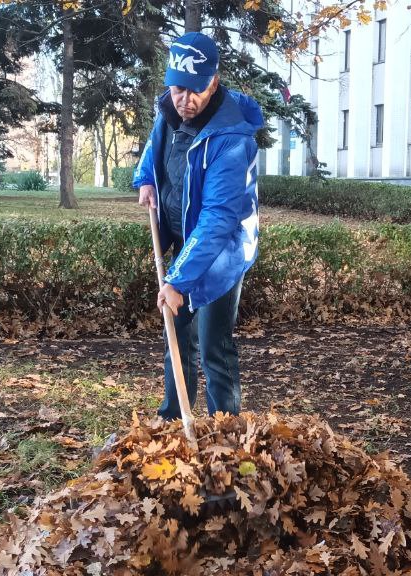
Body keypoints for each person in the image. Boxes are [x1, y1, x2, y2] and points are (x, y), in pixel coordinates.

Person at [133, 32, 264, 420]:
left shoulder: (232, 139)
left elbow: (219, 218)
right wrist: (145, 179)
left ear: (214, 82)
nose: (184, 101)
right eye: (177, 89)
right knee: (175, 333)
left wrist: (178, 282)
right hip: (183, 236)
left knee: (213, 344)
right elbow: (155, 145)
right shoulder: (169, 109)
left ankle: (225, 430)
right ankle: (175, 418)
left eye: (194, 91)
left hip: (221, 250)